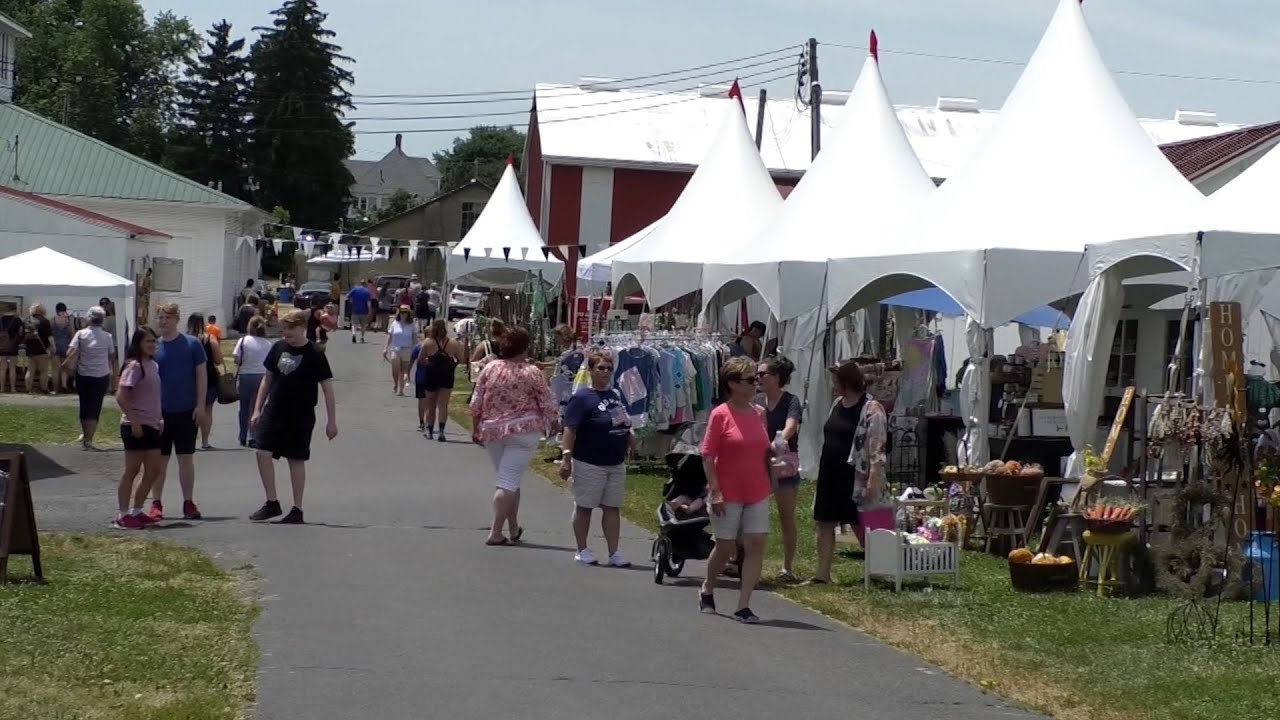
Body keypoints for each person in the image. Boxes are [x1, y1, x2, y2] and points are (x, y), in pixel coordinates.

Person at [699, 356, 773, 623]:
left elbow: (762, 448)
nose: (756, 384)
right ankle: (708, 587)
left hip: (757, 488)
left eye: (757, 379)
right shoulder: (721, 414)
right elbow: (708, 455)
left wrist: (776, 458)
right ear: (732, 383)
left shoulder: (759, 413)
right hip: (728, 490)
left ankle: (744, 604)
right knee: (726, 545)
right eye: (750, 380)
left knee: (755, 543)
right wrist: (715, 491)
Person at [470, 326, 558, 546]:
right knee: (508, 481)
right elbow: (547, 401)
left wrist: (476, 427)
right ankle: (495, 531)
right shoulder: (532, 372)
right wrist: (554, 423)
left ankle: (513, 527)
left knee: (508, 478)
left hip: (493, 429)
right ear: (524, 347)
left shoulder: (490, 368)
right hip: (523, 430)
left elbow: (476, 401)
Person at [248, 309, 337, 525]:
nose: (285, 332)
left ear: (301, 328)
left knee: (295, 459)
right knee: (262, 451)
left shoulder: (315, 353)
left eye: (289, 328)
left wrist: (331, 421)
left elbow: (327, 389)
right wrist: (257, 409)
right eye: (283, 328)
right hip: (274, 409)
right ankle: (272, 502)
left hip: (301, 414)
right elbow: (267, 380)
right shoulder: (278, 348)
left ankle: (297, 508)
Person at [809, 359, 889, 585]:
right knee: (825, 522)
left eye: (836, 381)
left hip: (855, 475)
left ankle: (878, 570)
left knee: (864, 523)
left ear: (847, 382)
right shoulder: (837, 404)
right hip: (831, 472)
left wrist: (874, 476)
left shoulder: (872, 409)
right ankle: (822, 575)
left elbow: (877, 445)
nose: (833, 385)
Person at [560, 349, 633, 567]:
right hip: (589, 461)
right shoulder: (582, 398)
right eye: (601, 368)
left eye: (609, 368)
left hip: (615, 462)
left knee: (612, 507)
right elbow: (570, 429)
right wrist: (566, 458)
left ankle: (614, 552)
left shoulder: (614, 395)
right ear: (591, 370)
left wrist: (629, 436)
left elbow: (621, 420)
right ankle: (582, 549)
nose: (605, 372)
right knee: (585, 506)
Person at [147, 303, 208, 522]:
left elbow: (201, 375)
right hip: (161, 413)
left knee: (185, 458)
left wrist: (200, 405)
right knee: (160, 460)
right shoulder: (154, 347)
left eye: (167, 318)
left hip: (186, 410)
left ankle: (188, 502)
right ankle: (156, 502)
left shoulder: (192, 344)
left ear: (177, 320)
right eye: (160, 318)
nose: (163, 322)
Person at [112, 326, 165, 529]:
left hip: (152, 424)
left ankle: (136, 510)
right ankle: (123, 514)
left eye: (154, 341)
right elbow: (121, 396)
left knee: (154, 470)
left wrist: (159, 419)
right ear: (138, 344)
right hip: (134, 426)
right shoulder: (134, 366)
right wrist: (134, 421)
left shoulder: (152, 365)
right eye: (148, 341)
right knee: (132, 470)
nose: (152, 345)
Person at [755, 356, 802, 582]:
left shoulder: (791, 401)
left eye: (762, 374)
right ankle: (744, 559)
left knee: (786, 517)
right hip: (757, 464)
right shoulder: (756, 401)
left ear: (776, 378)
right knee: (752, 515)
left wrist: (776, 443)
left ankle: (787, 567)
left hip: (782, 464)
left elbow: (791, 426)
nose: (758, 378)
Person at [63, 306, 118, 450]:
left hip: (83, 374)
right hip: (101, 375)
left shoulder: (81, 334)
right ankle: (89, 439)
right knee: (95, 407)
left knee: (84, 405)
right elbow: (112, 356)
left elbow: (69, 351)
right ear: (102, 320)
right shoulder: (107, 337)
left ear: (88, 318)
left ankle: (85, 435)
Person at [415, 319, 464, 440]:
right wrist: (452, 364)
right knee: (443, 405)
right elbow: (461, 359)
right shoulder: (453, 343)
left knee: (431, 404)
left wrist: (428, 362)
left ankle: (430, 430)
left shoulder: (428, 342)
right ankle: (441, 431)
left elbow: (420, 359)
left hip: (431, 374)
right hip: (447, 374)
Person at [233, 316, 272, 447]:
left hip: (245, 375)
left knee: (244, 407)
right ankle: (253, 436)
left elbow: (237, 359)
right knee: (256, 407)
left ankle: (242, 435)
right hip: (261, 376)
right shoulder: (267, 343)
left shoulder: (243, 341)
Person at [188, 313, 224, 450]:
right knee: (207, 410)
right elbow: (218, 360)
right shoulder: (210, 338)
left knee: (190, 410)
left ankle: (190, 439)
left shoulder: (186, 339)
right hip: (209, 378)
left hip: (189, 379)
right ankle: (204, 441)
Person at [383, 305, 417, 396]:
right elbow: (389, 335)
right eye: (402, 312)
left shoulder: (412, 324)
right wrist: (385, 348)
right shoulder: (394, 323)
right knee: (395, 370)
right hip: (395, 349)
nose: (403, 314)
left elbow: (414, 338)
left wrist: (415, 349)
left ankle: (401, 389)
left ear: (408, 313)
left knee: (403, 370)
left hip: (407, 349)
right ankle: (395, 383)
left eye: (405, 312)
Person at [24, 303, 54, 394]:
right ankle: (44, 389)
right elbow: (50, 337)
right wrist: (53, 346)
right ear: (42, 310)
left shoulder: (27, 320)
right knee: (44, 370)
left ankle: (28, 389)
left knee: (30, 370)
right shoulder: (45, 321)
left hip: (29, 349)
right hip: (42, 349)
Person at [51, 302, 75, 392]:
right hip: (66, 345)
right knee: (65, 367)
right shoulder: (68, 320)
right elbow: (72, 333)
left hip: (56, 345)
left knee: (55, 369)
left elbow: (50, 334)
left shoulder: (53, 320)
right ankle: (64, 385)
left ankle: (55, 388)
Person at [0, 304, 21, 392]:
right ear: (15, 309)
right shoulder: (17, 320)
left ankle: (1, 388)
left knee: (2, 368)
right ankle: (13, 388)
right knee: (12, 368)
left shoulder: (0, 319)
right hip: (13, 346)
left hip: (2, 346)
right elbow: (21, 333)